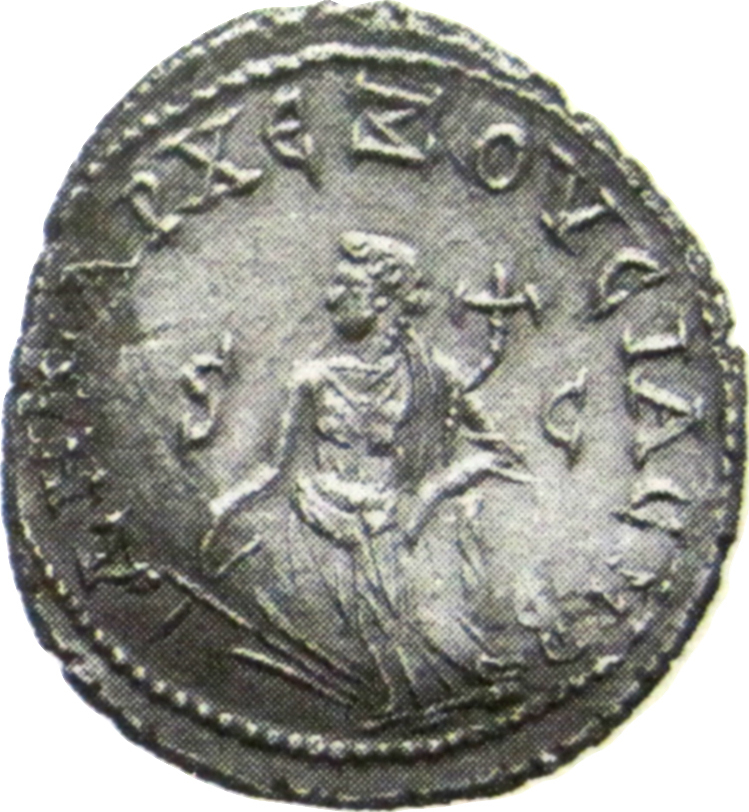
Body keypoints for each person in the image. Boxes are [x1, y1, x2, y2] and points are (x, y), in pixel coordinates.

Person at [202, 231, 529, 720]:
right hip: (321, 528)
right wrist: (225, 508)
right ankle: (407, 702)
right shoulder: (312, 379)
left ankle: (440, 696)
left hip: (396, 529)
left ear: (381, 300)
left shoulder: (435, 376)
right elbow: (275, 469)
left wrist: (430, 494)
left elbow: (502, 453)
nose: (330, 298)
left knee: (427, 625)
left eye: (346, 286)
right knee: (363, 628)